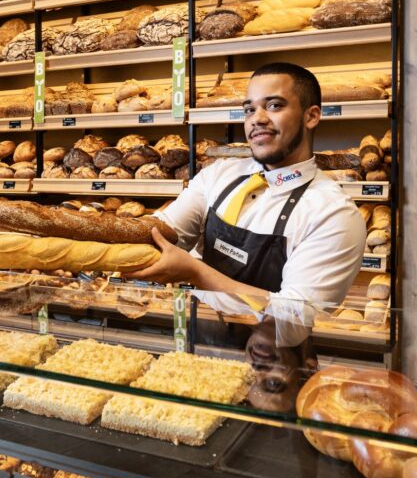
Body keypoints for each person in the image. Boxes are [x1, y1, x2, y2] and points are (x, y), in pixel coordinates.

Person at [134, 61, 367, 310]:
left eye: (274, 106)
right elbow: (161, 234)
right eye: (249, 109)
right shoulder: (218, 175)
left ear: (311, 116)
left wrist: (196, 272)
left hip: (269, 337)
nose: (257, 119)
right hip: (202, 332)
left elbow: (296, 315)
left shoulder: (333, 213)